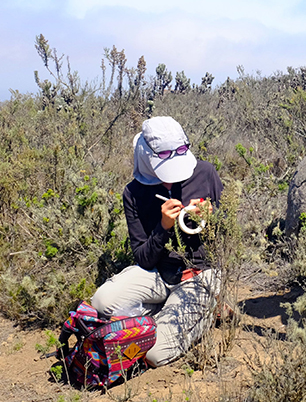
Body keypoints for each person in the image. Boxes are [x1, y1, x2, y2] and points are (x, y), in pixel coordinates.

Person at [91, 116, 223, 367]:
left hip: (200, 274)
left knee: (155, 354)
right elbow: (142, 258)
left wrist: (211, 216)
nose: (171, 180)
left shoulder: (205, 173)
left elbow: (227, 232)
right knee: (102, 303)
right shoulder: (134, 193)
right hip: (158, 274)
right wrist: (163, 228)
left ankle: (206, 310)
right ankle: (166, 314)